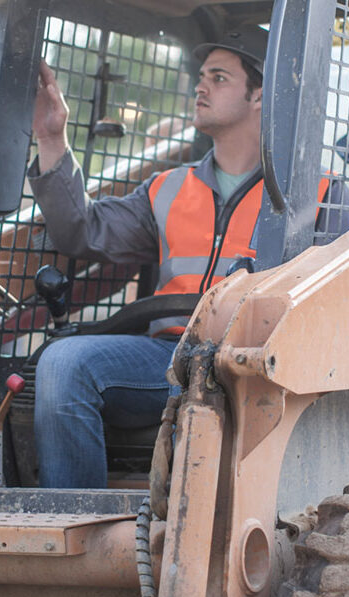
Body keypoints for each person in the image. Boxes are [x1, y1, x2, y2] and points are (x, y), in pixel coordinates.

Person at [28, 26, 273, 488]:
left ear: (259, 95)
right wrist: (50, 137)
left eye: (219, 78)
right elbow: (81, 230)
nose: (200, 86)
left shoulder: (313, 193)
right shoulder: (167, 188)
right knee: (63, 362)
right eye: (201, 75)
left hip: (255, 367)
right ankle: (69, 525)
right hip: (168, 360)